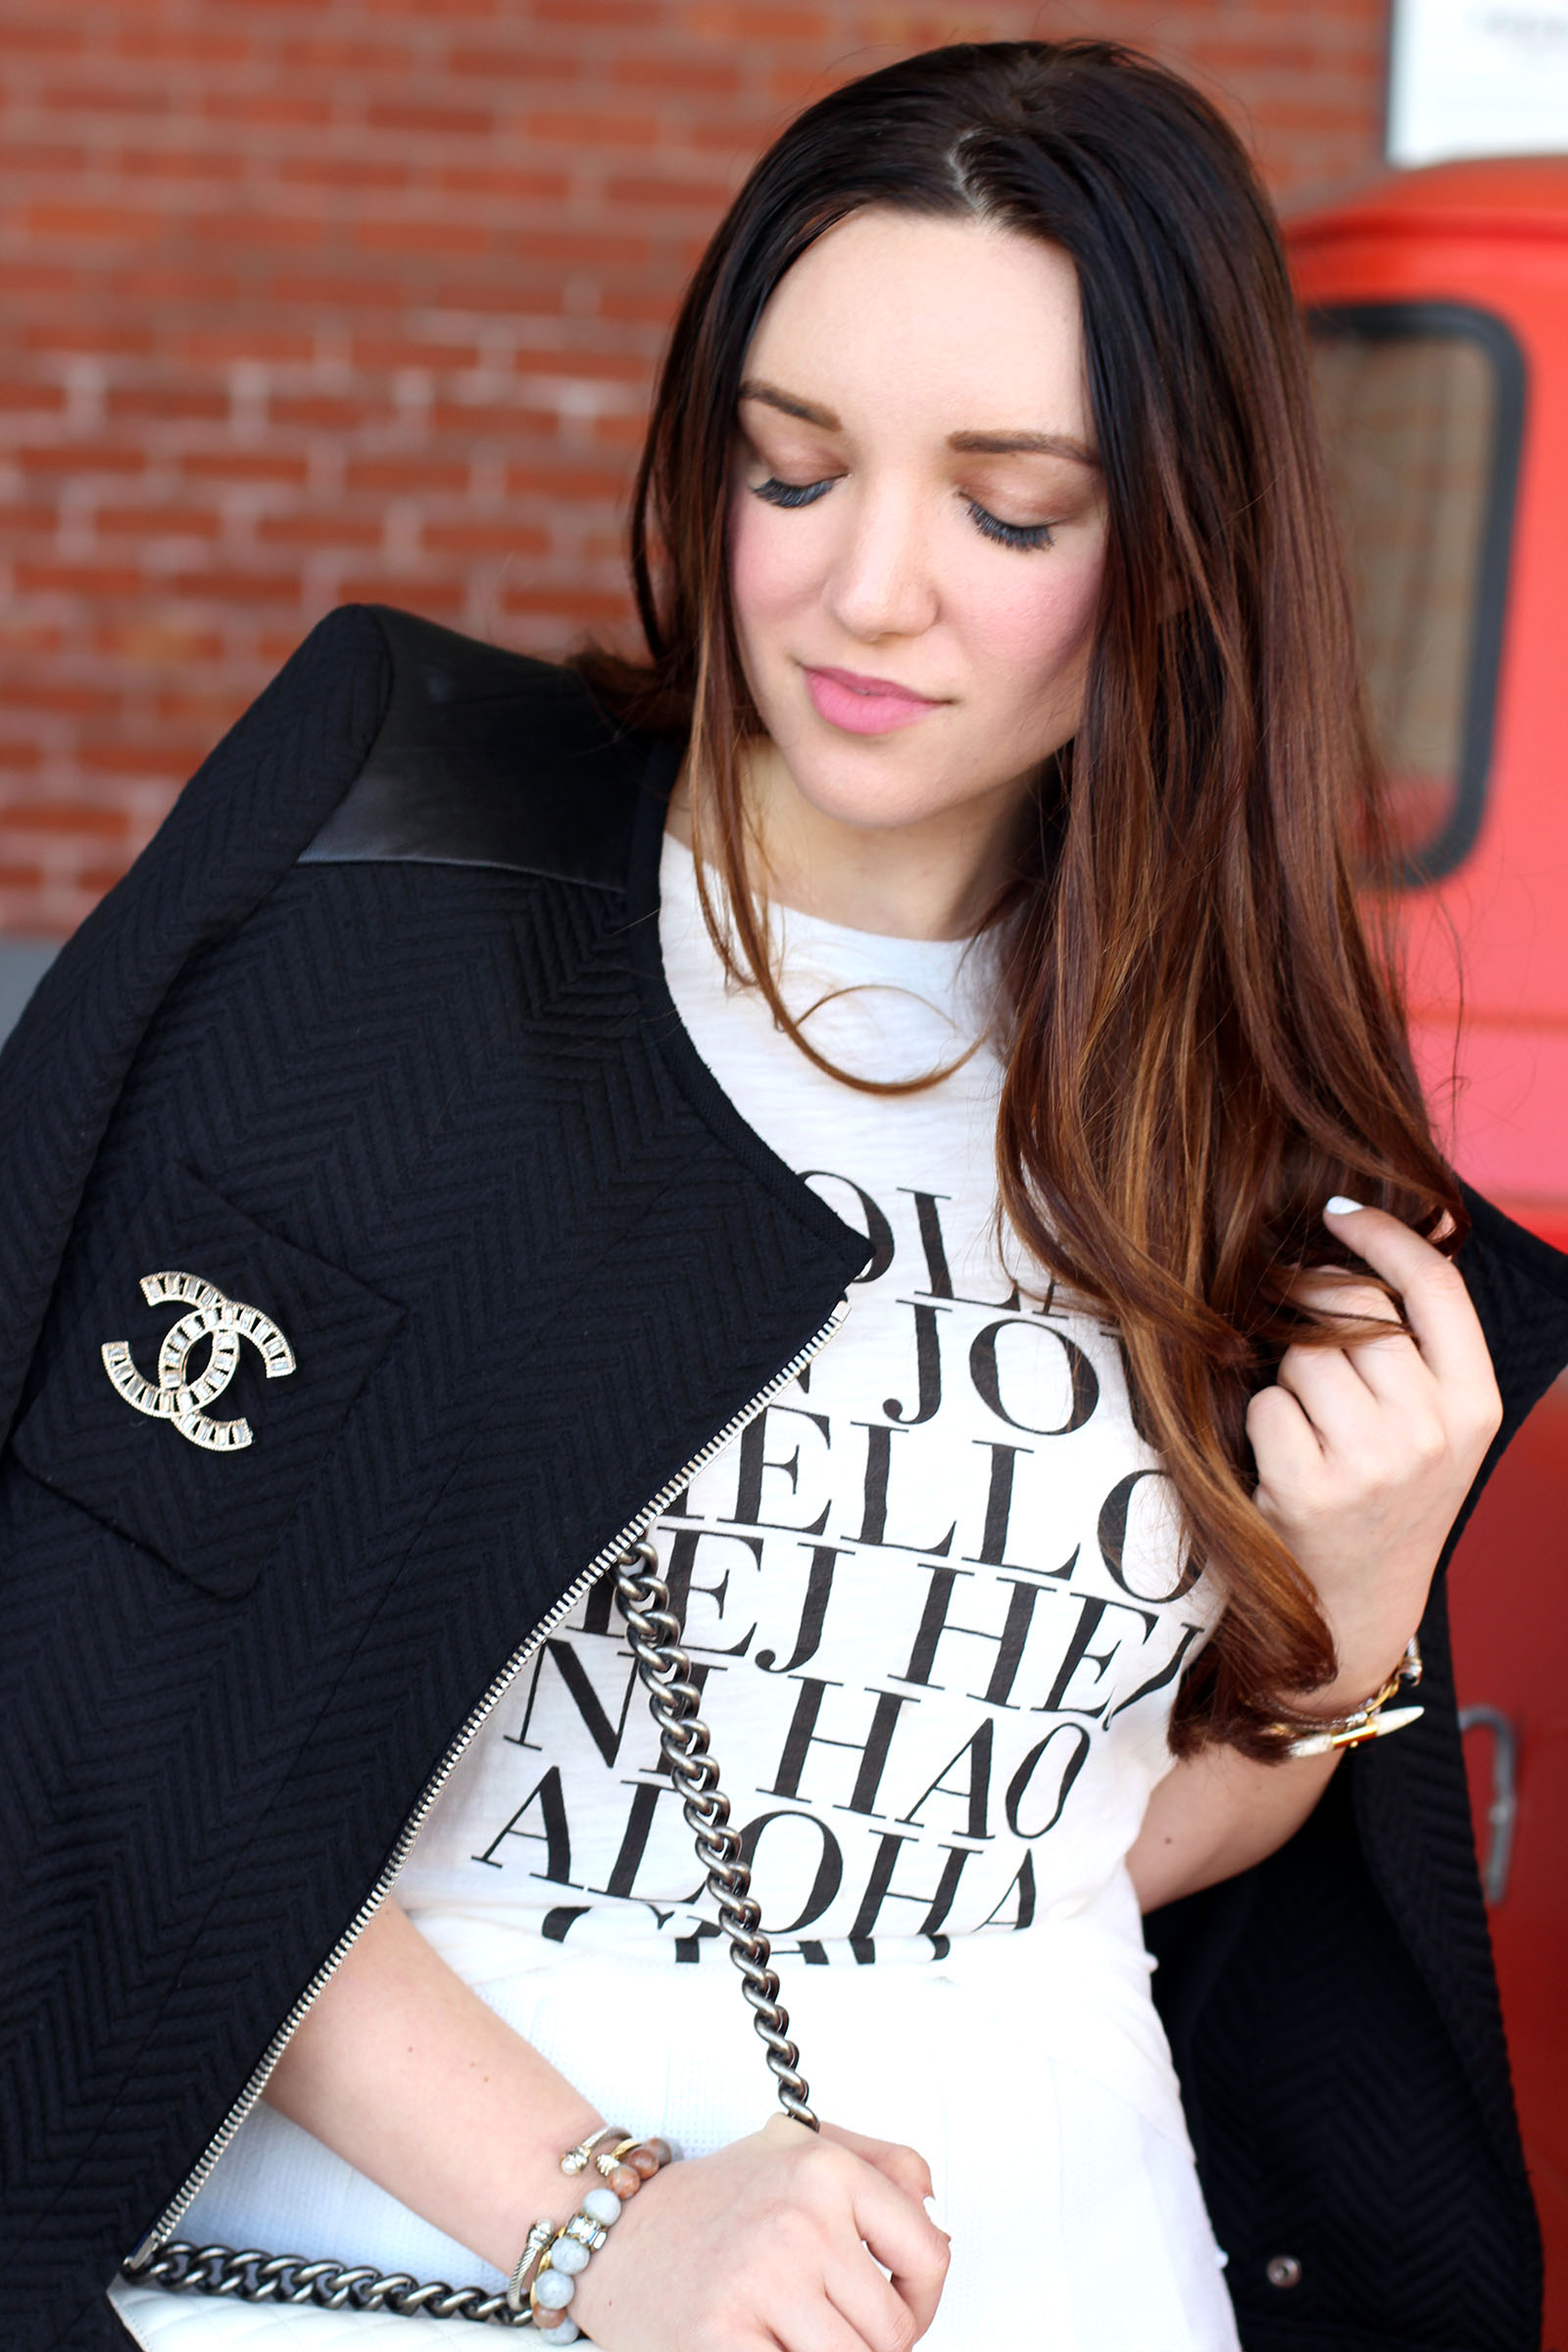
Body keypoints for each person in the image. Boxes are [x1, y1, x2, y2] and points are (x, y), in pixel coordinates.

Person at [3, 37, 1565, 2352]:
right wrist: (599, 2216)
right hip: (389, 2270)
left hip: (1060, 2272)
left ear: (1186, 546)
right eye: (791, 466)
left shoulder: (1229, 1100)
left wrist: (1351, 1606)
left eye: (1008, 510)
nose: (863, 590)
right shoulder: (408, 903)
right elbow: (104, 1710)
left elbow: (1067, 1847)